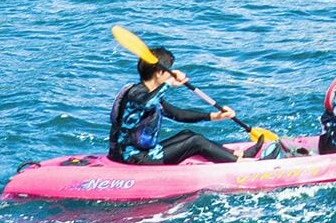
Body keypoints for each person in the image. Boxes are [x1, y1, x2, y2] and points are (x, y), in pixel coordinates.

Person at [108, 49, 256, 166]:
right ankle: (240, 164)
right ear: (160, 73)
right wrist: (169, 84)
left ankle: (233, 155)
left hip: (141, 152)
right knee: (196, 141)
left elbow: (178, 114)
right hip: (132, 157)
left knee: (187, 134)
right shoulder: (136, 94)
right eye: (169, 71)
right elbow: (147, 103)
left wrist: (214, 116)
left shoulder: (148, 94)